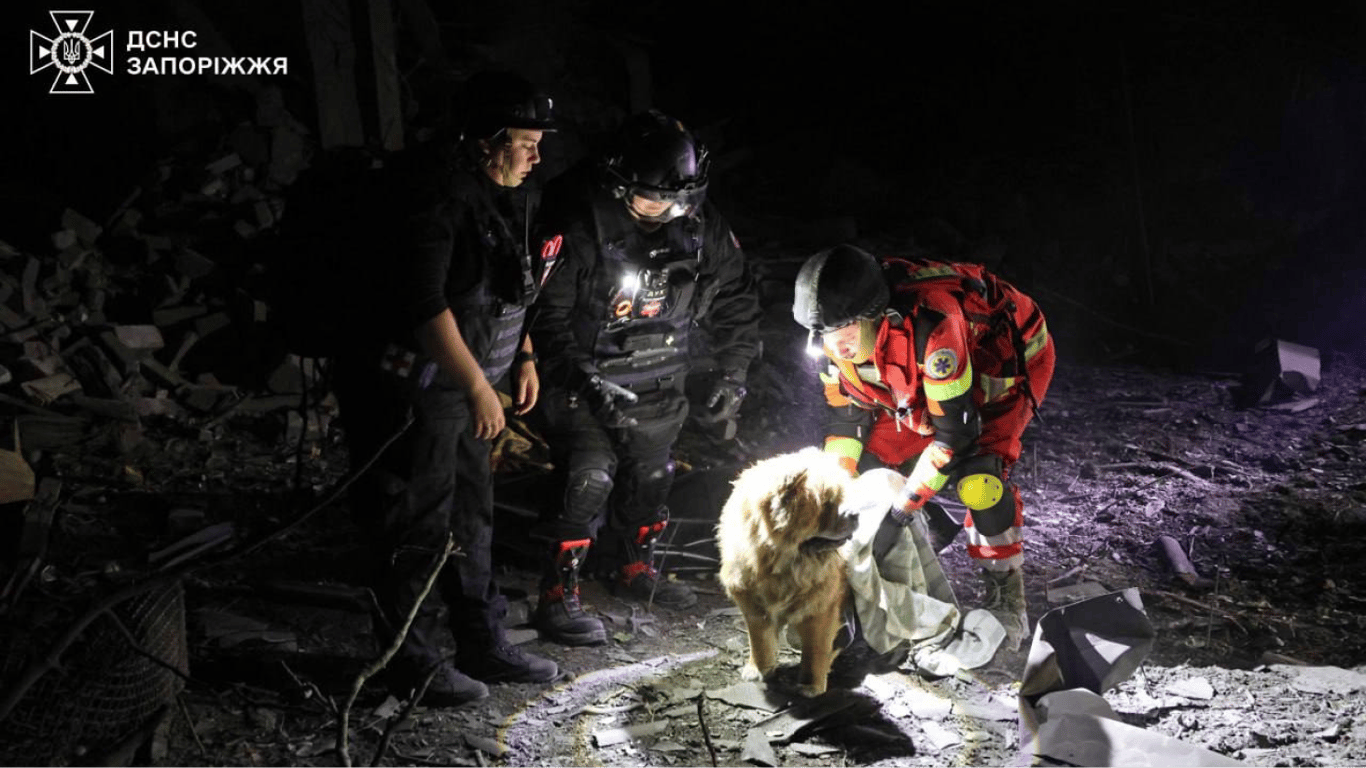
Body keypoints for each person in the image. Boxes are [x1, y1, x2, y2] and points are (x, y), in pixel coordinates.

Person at [331, 71, 560, 707]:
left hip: (470, 385)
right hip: (417, 392)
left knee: (471, 516)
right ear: (484, 140)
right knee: (416, 524)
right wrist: (476, 386)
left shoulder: (504, 191)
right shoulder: (432, 198)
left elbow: (513, 280)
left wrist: (524, 356)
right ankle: (412, 663)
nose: (537, 156)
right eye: (525, 142)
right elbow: (425, 305)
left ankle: (481, 640)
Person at [527, 110, 762, 646]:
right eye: (654, 199)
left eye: (680, 199)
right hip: (582, 374)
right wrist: (585, 383)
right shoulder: (578, 221)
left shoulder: (699, 225)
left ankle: (630, 566)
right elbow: (546, 316)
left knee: (653, 476)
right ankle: (557, 595)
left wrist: (733, 370)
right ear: (617, 185)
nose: (668, 211)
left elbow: (737, 297)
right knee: (589, 477)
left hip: (660, 373)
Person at [791, 244, 1055, 650]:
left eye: (844, 336)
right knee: (872, 464)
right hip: (917, 386)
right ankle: (925, 534)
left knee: (979, 479)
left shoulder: (934, 323)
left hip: (999, 373)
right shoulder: (831, 338)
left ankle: (1007, 594)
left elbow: (954, 436)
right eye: (827, 337)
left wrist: (897, 513)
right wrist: (836, 502)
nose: (836, 348)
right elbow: (846, 423)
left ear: (874, 317)